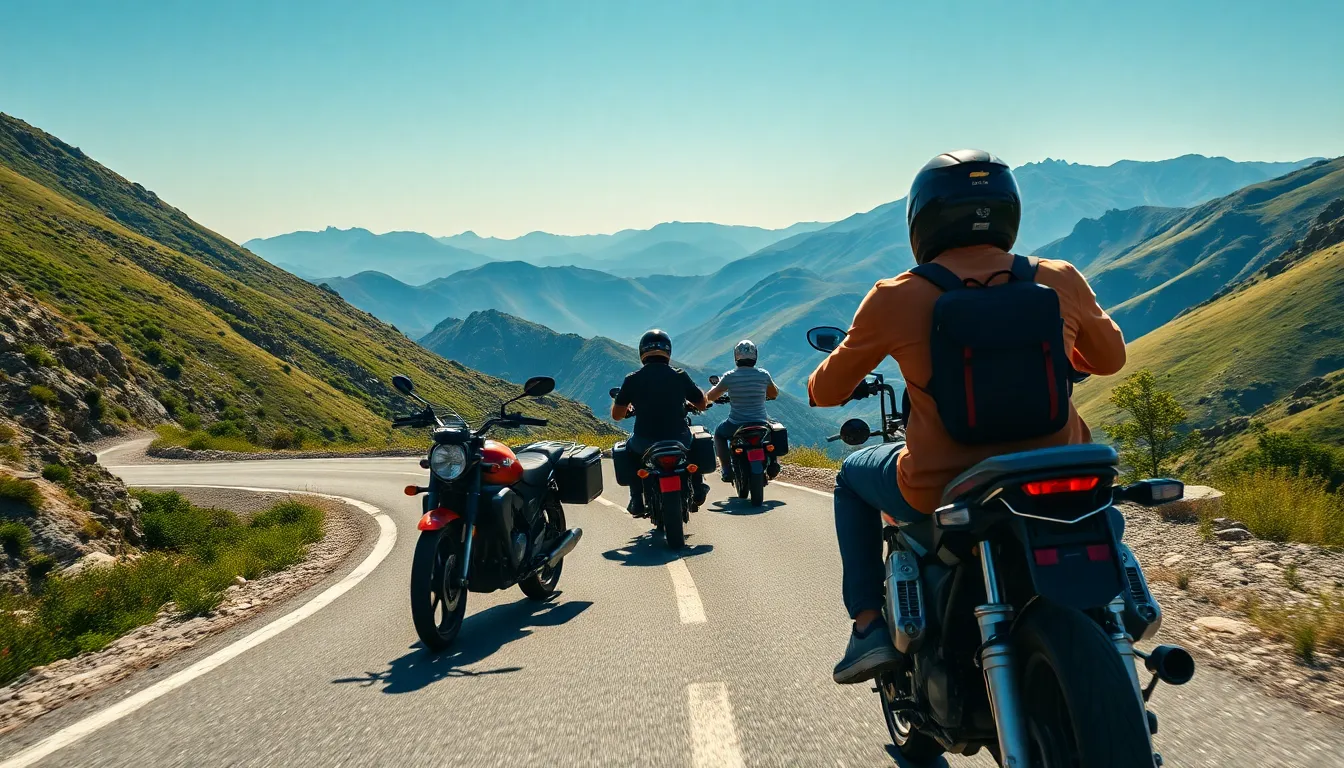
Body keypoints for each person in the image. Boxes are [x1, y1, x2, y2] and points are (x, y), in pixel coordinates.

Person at [807, 149, 1128, 685]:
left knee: (849, 479)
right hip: (1057, 470)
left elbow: (827, 389)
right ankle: (1124, 602)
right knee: (1096, 512)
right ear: (1009, 212)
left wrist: (827, 383)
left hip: (943, 487)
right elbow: (1111, 359)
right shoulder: (1059, 279)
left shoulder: (897, 297)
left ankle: (867, 626)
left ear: (923, 220)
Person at [613, 329, 712, 516]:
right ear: (668, 351)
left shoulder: (632, 379)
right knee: (694, 446)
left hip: (644, 440)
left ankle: (636, 498)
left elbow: (617, 415)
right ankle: (698, 486)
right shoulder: (679, 375)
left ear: (642, 351)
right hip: (679, 437)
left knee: (631, 454)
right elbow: (702, 403)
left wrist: (629, 409)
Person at [703, 339, 780, 482]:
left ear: (736, 356)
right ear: (755, 356)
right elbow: (774, 394)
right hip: (760, 422)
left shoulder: (729, 376)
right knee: (772, 432)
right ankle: (774, 462)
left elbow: (711, 396)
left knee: (719, 434)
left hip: (736, 424)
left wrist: (712, 398)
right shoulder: (763, 374)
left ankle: (726, 469)